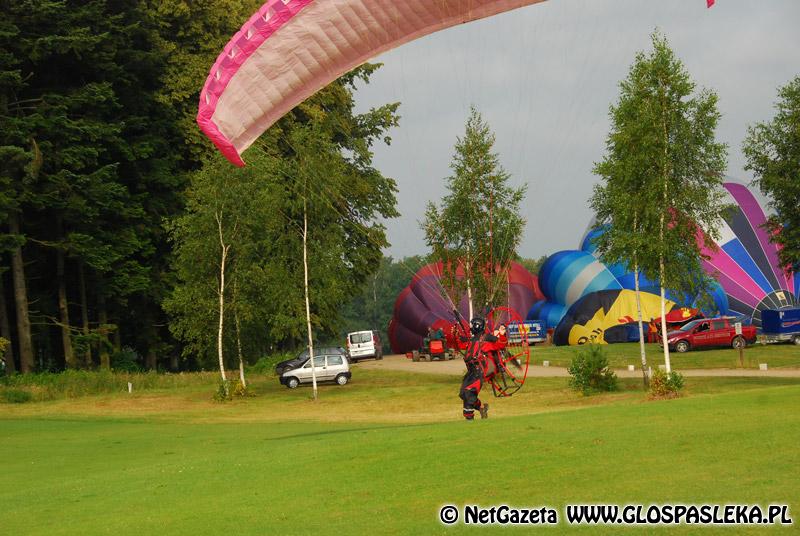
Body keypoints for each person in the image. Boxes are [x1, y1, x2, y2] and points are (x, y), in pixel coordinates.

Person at [457, 317, 507, 420]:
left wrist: (502, 334)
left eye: (471, 325)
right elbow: (460, 344)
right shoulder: (472, 340)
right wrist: (455, 334)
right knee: (463, 394)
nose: (470, 328)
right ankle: (482, 408)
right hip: (471, 372)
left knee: (469, 393)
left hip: (478, 371)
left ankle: (469, 421)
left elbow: (500, 344)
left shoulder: (487, 339)